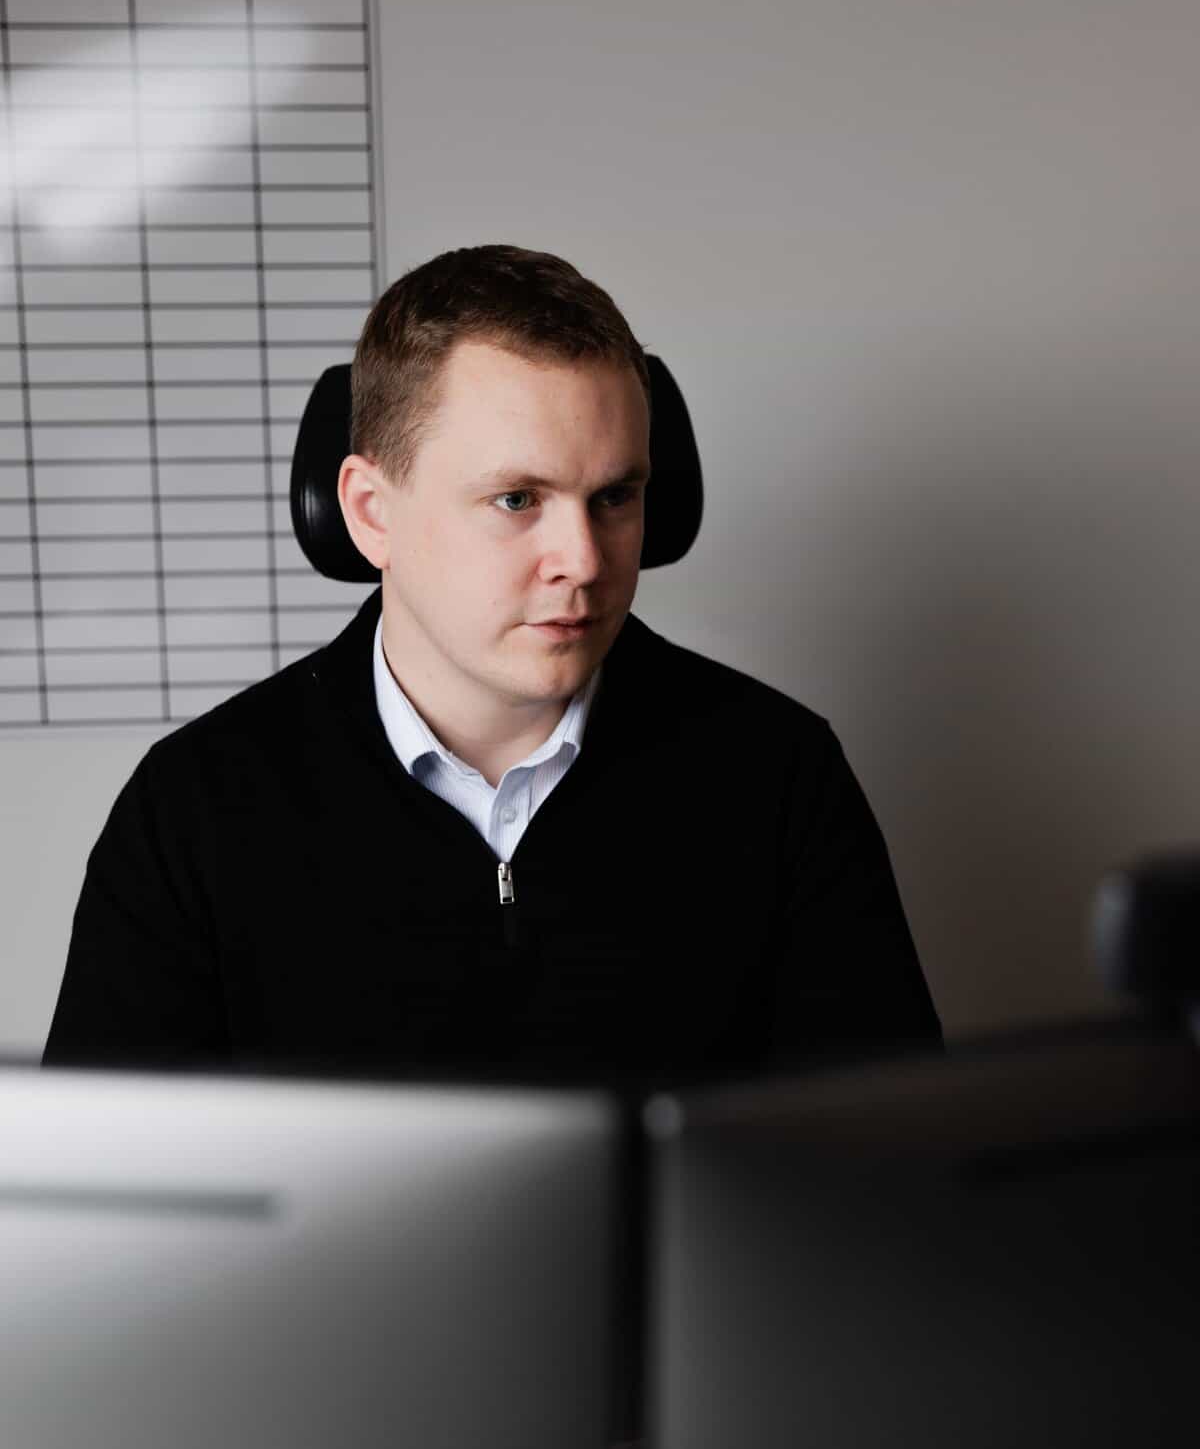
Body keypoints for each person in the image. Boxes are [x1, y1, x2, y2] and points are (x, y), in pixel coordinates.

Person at [44, 244, 941, 1085]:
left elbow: (884, 1184)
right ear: (370, 513)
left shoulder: (778, 774)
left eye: (615, 497)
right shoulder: (194, 810)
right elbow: (112, 1218)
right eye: (517, 499)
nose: (584, 560)